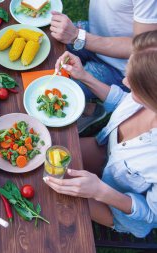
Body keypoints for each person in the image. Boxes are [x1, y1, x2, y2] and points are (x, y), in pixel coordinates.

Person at [44, 30, 157, 238]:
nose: (124, 82)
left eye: (132, 82)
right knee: (44, 158)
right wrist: (84, 76)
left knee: (51, 197)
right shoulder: (146, 101)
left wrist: (99, 191)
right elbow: (124, 100)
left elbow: (150, 214)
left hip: (117, 206)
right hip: (107, 153)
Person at [50, 0, 157, 132]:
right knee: (49, 44)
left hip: (118, 66)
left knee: (57, 94)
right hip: (95, 32)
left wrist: (77, 36)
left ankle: (89, 110)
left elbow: (141, 48)